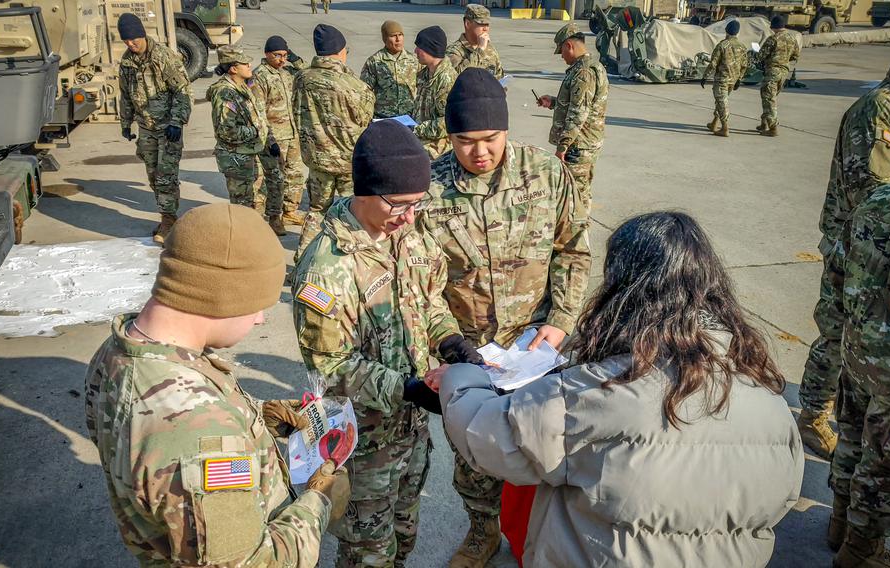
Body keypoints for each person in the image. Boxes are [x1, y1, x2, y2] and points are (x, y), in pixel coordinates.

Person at [433, 211, 804, 568]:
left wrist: (463, 375)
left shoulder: (595, 392)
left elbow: (484, 433)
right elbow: (784, 497)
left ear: (621, 288)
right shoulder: (768, 399)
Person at [84, 203, 351, 565]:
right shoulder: (202, 434)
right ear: (222, 294)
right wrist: (318, 503)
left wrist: (254, 420)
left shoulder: (120, 350)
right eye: (257, 305)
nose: (259, 320)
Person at [416, 68, 592, 568]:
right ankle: (481, 529)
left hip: (537, 345)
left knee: (547, 444)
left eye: (490, 139)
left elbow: (573, 249)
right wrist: (448, 342)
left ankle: (540, 531)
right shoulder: (430, 190)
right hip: (468, 347)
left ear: (507, 131)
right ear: (448, 137)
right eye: (465, 141)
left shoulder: (547, 173)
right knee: (475, 452)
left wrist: (561, 317)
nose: (479, 153)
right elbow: (421, 283)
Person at [291, 120, 483, 567]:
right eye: (401, 204)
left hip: (411, 432)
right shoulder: (326, 269)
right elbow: (332, 366)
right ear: (366, 191)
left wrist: (451, 340)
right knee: (367, 555)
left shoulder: (408, 233)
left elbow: (429, 301)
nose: (410, 216)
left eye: (418, 204)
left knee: (403, 536)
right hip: (365, 446)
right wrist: (409, 389)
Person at [801, 58, 890, 461]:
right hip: (859, 249)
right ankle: (812, 415)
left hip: (880, 249)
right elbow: (873, 188)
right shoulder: (880, 109)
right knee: (838, 332)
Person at [828, 183, 890, 567]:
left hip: (857, 347)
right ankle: (861, 551)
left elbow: (838, 267)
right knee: (885, 465)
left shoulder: (880, 197)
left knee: (852, 438)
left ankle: (839, 524)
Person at [294, 24, 375, 257]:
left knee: (317, 209)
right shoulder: (354, 86)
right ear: (340, 51)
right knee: (353, 211)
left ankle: (303, 258)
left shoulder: (301, 78)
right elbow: (365, 119)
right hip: (348, 160)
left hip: (317, 158)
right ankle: (353, 258)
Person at [116, 13, 191, 245]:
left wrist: (177, 121)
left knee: (166, 176)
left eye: (134, 39)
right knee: (153, 174)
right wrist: (126, 123)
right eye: (126, 41)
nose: (131, 44)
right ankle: (166, 215)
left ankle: (169, 220)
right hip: (146, 126)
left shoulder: (163, 57)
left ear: (142, 34)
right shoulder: (127, 61)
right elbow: (126, 94)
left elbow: (182, 90)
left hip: (167, 126)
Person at [206, 46, 287, 236]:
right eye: (244, 63)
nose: (250, 65)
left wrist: (270, 139)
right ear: (233, 68)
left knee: (268, 183)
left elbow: (258, 115)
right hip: (236, 155)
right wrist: (257, 131)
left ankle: (266, 223)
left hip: (252, 147)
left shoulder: (243, 86)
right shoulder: (225, 93)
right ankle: (243, 240)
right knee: (242, 202)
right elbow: (226, 130)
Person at [536, 23, 609, 205]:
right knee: (578, 192)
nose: (561, 56)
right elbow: (580, 104)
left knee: (576, 196)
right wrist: (553, 102)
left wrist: (563, 146)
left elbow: (578, 113)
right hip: (583, 142)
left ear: (569, 45)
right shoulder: (588, 67)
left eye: (561, 51)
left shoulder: (584, 72)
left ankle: (579, 230)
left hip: (579, 146)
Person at [252, 35, 309, 227]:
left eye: (285, 55)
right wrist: (269, 140)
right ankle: (263, 216)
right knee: (271, 178)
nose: (282, 59)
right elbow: (258, 112)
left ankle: (289, 211)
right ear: (267, 54)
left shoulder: (287, 73)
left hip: (292, 133)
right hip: (274, 136)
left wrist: (295, 59)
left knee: (294, 175)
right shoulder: (259, 76)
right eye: (278, 55)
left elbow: (308, 73)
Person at [413, 26, 458, 159]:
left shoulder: (446, 80)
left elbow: (448, 121)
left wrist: (417, 129)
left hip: (439, 146)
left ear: (429, 49)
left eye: (419, 47)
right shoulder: (425, 74)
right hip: (422, 137)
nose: (415, 51)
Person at [361, 21, 420, 119]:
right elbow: (365, 93)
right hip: (384, 118)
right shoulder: (374, 62)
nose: (398, 39)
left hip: (409, 118)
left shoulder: (414, 60)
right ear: (385, 39)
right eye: (393, 36)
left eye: (400, 35)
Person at [700, 19, 748, 138]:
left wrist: (705, 76)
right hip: (733, 80)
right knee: (720, 102)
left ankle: (725, 128)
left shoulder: (722, 45)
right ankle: (714, 123)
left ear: (726, 31)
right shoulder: (742, 47)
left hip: (722, 79)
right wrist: (739, 79)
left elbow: (713, 63)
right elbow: (744, 65)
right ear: (737, 32)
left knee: (722, 103)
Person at [756, 15, 800, 137]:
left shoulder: (773, 39)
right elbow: (795, 55)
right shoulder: (792, 38)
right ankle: (764, 123)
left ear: (774, 27)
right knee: (769, 97)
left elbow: (760, 56)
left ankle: (773, 127)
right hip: (784, 72)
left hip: (772, 72)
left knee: (769, 99)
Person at [446, 4, 503, 79]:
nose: (485, 29)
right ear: (468, 24)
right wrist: (480, 50)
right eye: (481, 24)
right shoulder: (454, 51)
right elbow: (457, 78)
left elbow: (499, 75)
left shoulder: (489, 48)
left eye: (487, 25)